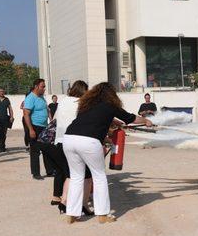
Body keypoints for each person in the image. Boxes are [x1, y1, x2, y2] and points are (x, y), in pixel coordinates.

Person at [63, 82, 152, 224]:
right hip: (88, 142)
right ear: (111, 94)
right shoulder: (109, 105)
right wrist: (146, 121)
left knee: (76, 177)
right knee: (99, 177)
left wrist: (107, 134)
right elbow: (131, 118)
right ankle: (102, 214)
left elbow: (92, 124)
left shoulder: (85, 106)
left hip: (69, 139)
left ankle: (72, 214)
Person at [49, 80, 92, 212]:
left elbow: (54, 120)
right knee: (86, 175)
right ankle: (83, 204)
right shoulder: (81, 104)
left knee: (70, 174)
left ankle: (63, 201)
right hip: (75, 140)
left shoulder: (63, 101)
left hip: (60, 142)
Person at [23, 78, 53, 180]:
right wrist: (31, 130)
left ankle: (50, 171)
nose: (44, 88)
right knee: (35, 151)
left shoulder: (41, 97)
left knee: (47, 150)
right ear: (36, 86)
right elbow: (26, 114)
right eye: (42, 86)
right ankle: (36, 173)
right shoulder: (31, 98)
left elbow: (47, 109)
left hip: (44, 127)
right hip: (35, 127)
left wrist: (51, 121)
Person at [0, 88, 14, 153]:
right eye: (0, 91)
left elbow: (10, 108)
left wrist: (11, 116)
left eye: (3, 91)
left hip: (5, 119)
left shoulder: (6, 99)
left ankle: (3, 147)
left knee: (4, 133)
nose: (1, 93)